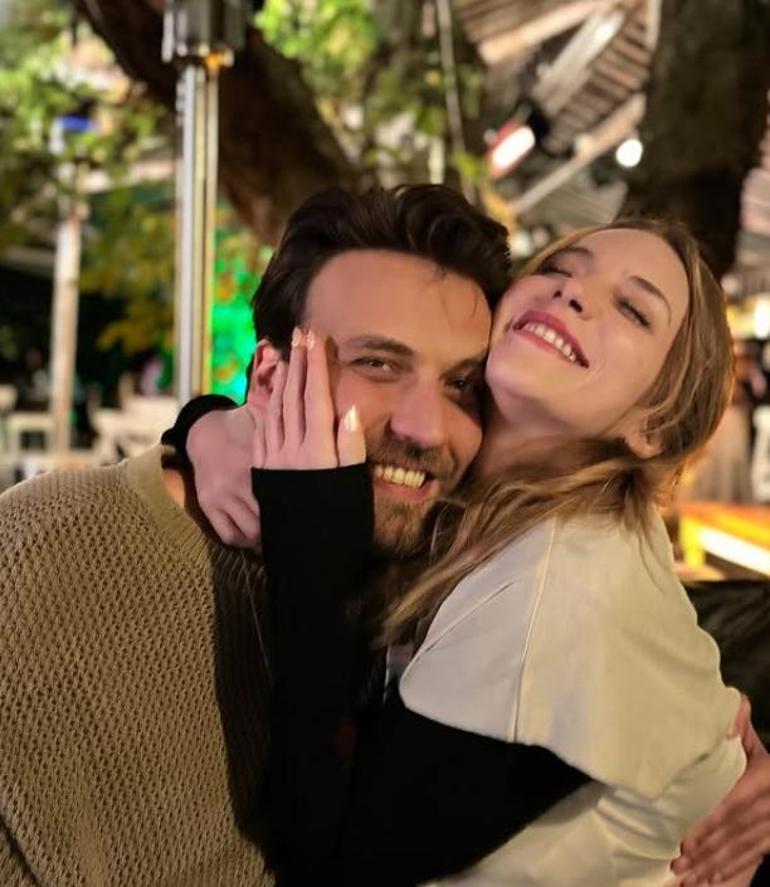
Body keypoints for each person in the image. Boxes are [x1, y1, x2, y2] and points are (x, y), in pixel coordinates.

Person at [172, 191, 770, 885]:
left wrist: (311, 552)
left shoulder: (560, 594)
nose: (574, 293)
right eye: (561, 268)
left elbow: (330, 861)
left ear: (654, 426)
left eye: (634, 310)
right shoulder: (481, 495)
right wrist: (211, 429)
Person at [0, 186, 513, 884]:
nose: (427, 427)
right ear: (270, 376)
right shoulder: (47, 561)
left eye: (462, 385)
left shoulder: (446, 574)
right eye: (378, 364)